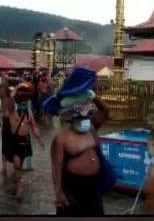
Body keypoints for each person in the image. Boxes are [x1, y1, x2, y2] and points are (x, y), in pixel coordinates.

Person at [46, 68, 110, 216]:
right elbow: (56, 168)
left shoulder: (92, 127)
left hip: (94, 189)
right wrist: (59, 193)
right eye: (79, 112)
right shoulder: (61, 139)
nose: (84, 114)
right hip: (73, 192)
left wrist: (89, 93)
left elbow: (105, 109)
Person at [9, 83, 45, 198]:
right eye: (23, 101)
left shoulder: (29, 113)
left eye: (26, 101)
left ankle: (16, 184)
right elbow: (10, 99)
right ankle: (19, 188)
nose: (25, 103)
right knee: (17, 166)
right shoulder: (12, 111)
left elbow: (34, 126)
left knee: (19, 167)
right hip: (15, 140)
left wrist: (39, 140)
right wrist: (18, 86)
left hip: (25, 141)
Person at [0, 77, 15, 176]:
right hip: (6, 121)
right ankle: (4, 167)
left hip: (11, 122)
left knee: (10, 143)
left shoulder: (10, 97)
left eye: (2, 88)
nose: (0, 90)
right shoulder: (4, 97)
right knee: (5, 144)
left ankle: (11, 164)